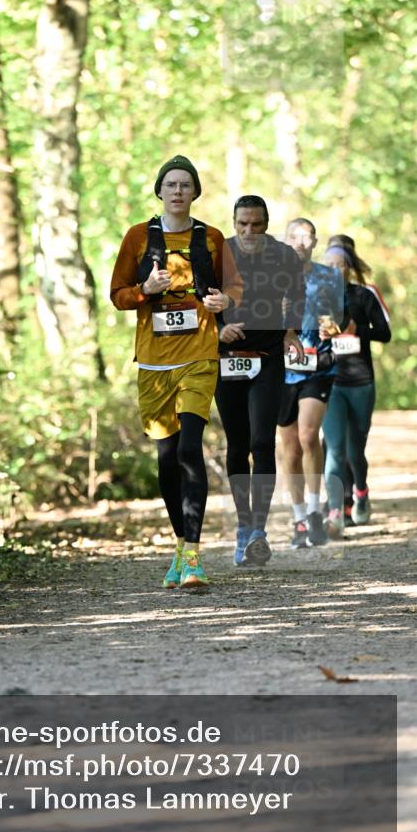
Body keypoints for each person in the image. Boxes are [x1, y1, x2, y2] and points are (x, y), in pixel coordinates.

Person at [110, 155, 242, 589]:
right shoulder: (137, 237)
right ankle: (180, 546)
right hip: (153, 360)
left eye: (186, 185)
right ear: (160, 191)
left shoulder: (212, 237)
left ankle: (194, 557)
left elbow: (235, 287)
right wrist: (144, 290)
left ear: (195, 192)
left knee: (189, 449)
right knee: (167, 460)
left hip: (200, 355)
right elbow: (117, 294)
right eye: (171, 184)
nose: (178, 191)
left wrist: (224, 302)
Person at [214, 196, 305, 567]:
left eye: (256, 224)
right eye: (243, 224)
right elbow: (201, 299)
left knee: (262, 442)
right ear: (234, 222)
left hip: (267, 359)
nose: (249, 231)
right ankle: (243, 526)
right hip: (227, 360)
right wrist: (218, 329)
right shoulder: (219, 253)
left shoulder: (284, 255)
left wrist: (291, 331)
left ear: (267, 223)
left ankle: (259, 532)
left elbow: (296, 295)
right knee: (237, 445)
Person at [277, 218, 346, 549]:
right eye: (295, 236)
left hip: (317, 366)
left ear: (315, 242)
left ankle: (317, 510)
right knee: (290, 448)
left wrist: (329, 329)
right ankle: (300, 518)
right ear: (285, 240)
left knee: (308, 435)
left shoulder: (329, 277)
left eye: (307, 237)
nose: (300, 242)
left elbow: (339, 319)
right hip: (280, 370)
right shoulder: (271, 276)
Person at [321, 237, 391, 536]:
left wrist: (356, 330)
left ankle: (360, 491)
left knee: (354, 452)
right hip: (330, 381)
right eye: (328, 265)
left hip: (361, 383)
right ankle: (335, 511)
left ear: (348, 268)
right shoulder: (315, 297)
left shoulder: (364, 295)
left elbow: (385, 333)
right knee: (334, 449)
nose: (334, 270)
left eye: (339, 265)